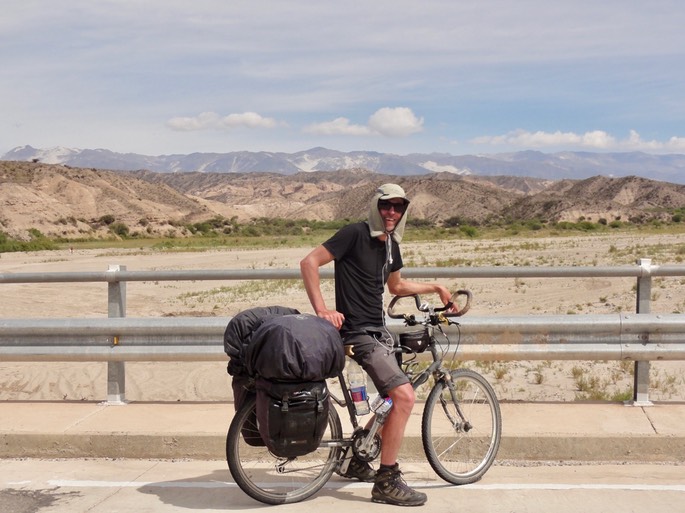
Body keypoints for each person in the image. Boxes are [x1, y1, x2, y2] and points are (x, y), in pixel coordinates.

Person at [300, 183, 457, 506]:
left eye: (398, 208)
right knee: (404, 396)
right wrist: (322, 310)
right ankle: (387, 480)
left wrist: (436, 287)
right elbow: (309, 262)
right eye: (387, 206)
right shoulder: (354, 234)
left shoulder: (390, 245)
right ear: (376, 206)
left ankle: (358, 459)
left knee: (390, 397)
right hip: (357, 334)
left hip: (377, 332)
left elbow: (396, 286)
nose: (392, 213)